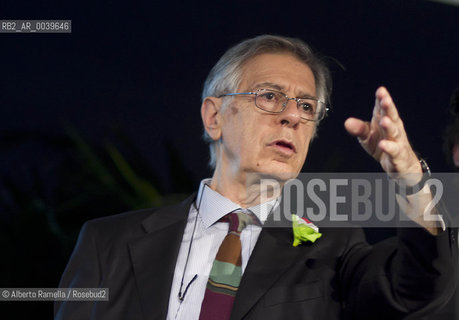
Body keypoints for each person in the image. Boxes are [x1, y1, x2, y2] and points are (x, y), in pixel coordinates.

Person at [54, 35, 458, 320]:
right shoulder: (108, 243)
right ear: (214, 117)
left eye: (306, 105)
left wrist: (410, 181)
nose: (292, 116)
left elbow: (418, 292)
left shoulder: (333, 248)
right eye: (269, 96)